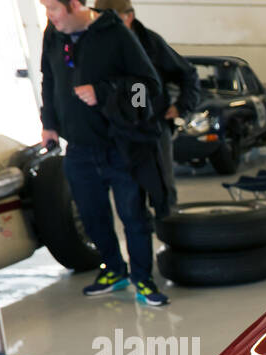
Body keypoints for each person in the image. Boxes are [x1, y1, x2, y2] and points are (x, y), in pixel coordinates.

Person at [39, 0, 170, 305]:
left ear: (74, 5)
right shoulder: (53, 34)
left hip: (121, 147)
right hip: (80, 150)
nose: (50, 17)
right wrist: (49, 123)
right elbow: (49, 79)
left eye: (54, 9)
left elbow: (147, 87)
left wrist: (106, 92)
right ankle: (114, 269)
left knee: (133, 217)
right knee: (92, 217)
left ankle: (143, 279)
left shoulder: (115, 34)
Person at [93, 0, 199, 209]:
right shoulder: (95, 45)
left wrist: (181, 106)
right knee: (130, 197)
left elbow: (187, 74)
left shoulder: (151, 43)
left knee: (163, 191)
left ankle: (171, 236)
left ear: (128, 17)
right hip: (117, 131)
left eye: (112, 20)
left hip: (154, 128)